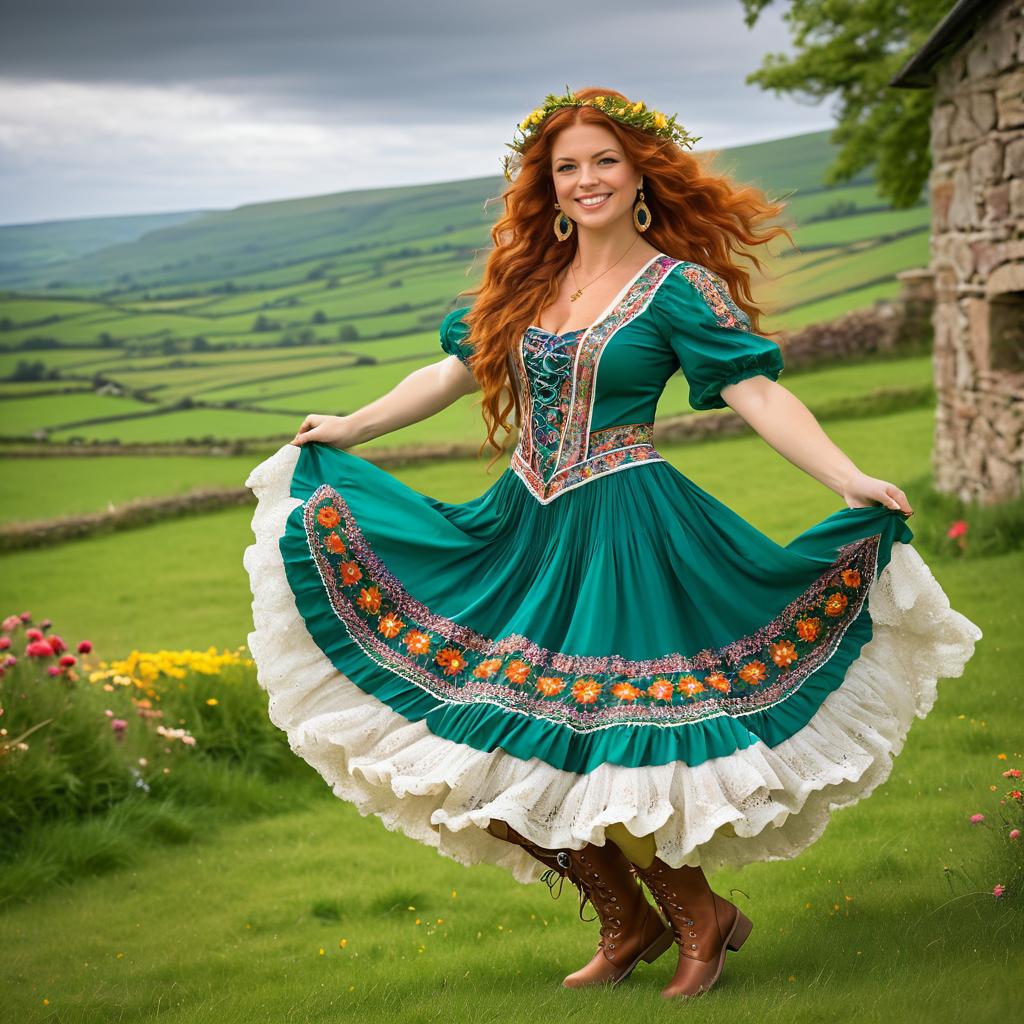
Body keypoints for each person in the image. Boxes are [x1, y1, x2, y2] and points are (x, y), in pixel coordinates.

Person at [243, 85, 982, 1000]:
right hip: (522, 528)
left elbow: (758, 394)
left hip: (626, 533)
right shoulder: (525, 281)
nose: (585, 179)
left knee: (607, 741)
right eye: (566, 167)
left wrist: (846, 479)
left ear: (639, 175)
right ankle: (627, 917)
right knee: (480, 748)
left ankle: (697, 913)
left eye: (603, 161)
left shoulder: (677, 288)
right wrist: (352, 427)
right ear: (546, 187)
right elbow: (448, 372)